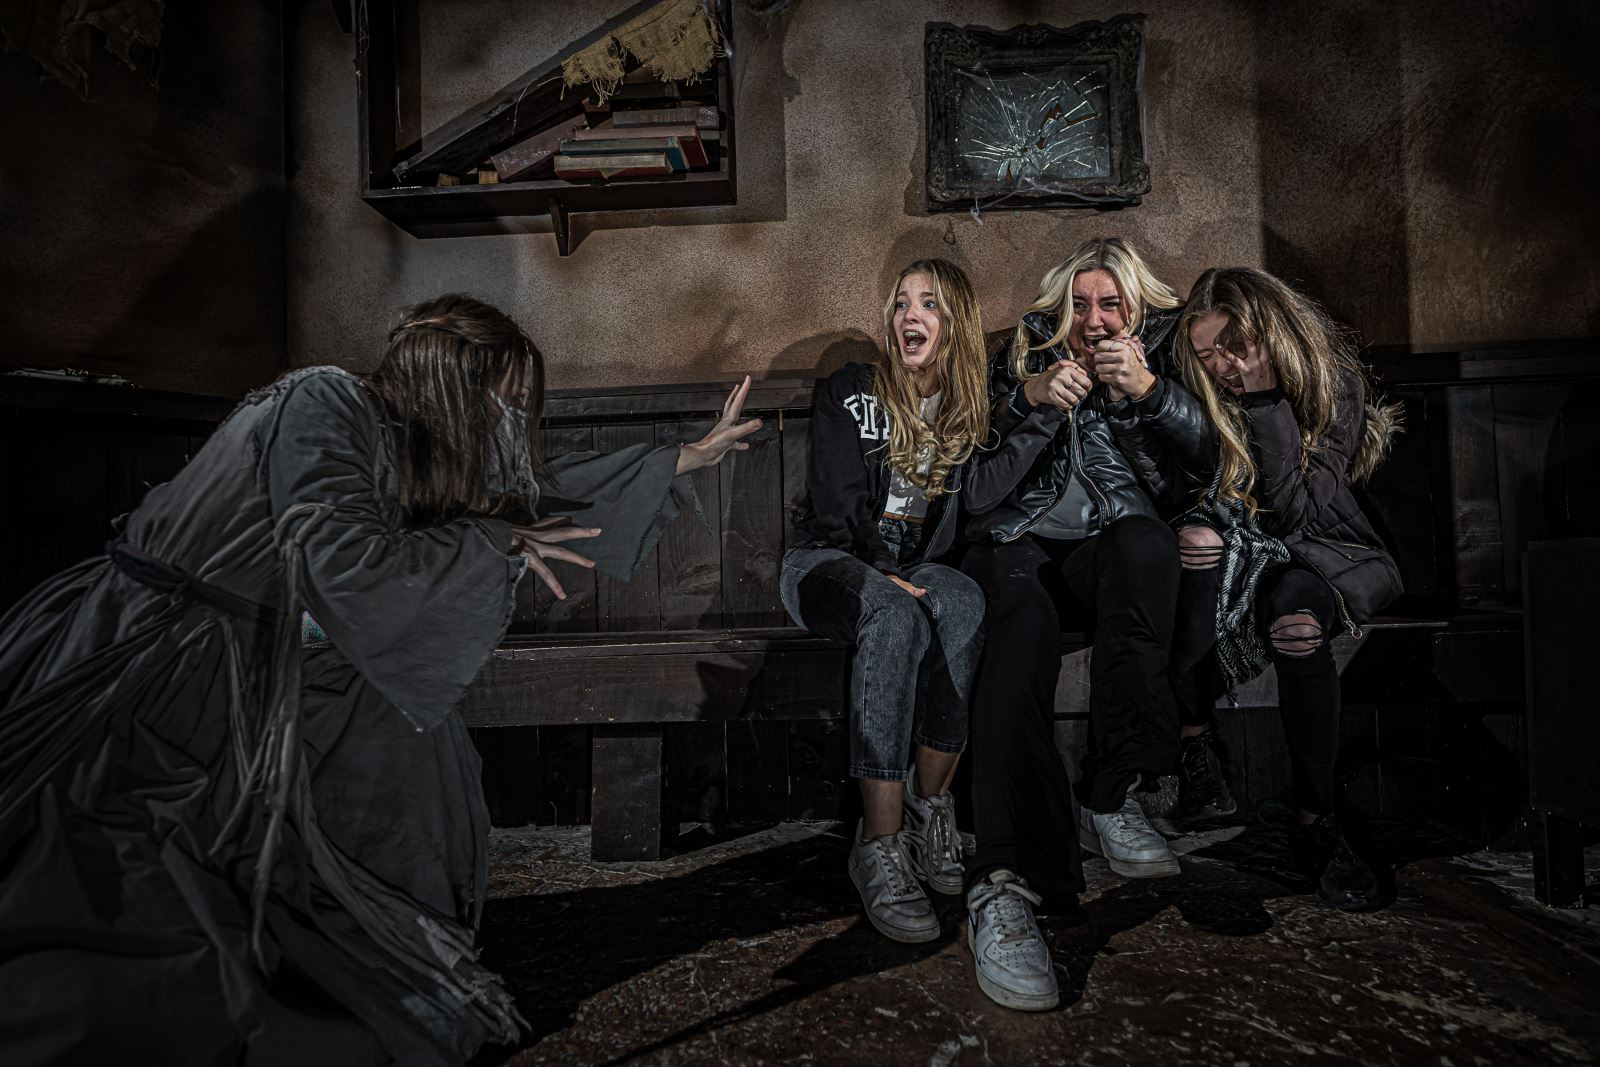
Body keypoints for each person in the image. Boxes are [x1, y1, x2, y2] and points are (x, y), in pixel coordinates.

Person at [0, 294, 759, 1064]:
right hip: (163, 653)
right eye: (507, 399)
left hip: (252, 654)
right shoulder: (324, 399)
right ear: (450, 382)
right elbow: (340, 557)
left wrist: (683, 457)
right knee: (123, 879)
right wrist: (493, 546)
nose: (513, 421)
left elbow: (530, 499)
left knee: (393, 740)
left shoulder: (415, 449)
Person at [957, 237, 1215, 1009]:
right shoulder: (1016, 364)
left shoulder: (1163, 369)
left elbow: (1203, 468)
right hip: (1018, 546)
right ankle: (1001, 875)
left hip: (1105, 555)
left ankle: (1114, 790)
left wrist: (1150, 396)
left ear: (1138, 314)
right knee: (1019, 629)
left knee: (1146, 544)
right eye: (1079, 305)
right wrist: (1032, 404)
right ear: (1058, 311)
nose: (1094, 321)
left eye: (1111, 305)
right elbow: (976, 491)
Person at [1168, 266, 1402, 911]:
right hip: (1234, 555)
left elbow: (1302, 515)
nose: (1220, 366)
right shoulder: (1198, 394)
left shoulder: (1335, 388)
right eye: (1206, 353)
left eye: (1233, 350)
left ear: (1269, 338)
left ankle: (1314, 817)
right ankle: (1195, 759)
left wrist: (1267, 401)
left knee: (1298, 629)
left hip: (1322, 557)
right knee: (1197, 557)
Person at [782, 258, 992, 949]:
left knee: (961, 602)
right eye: (901, 303)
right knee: (894, 611)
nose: (909, 316)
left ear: (954, 321)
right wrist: (881, 572)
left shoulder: (967, 412)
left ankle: (930, 812)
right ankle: (878, 842)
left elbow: (970, 519)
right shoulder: (853, 390)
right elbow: (836, 510)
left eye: (928, 304)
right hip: (829, 562)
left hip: (914, 564)